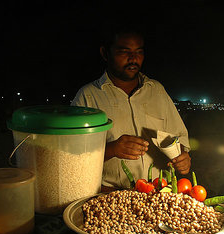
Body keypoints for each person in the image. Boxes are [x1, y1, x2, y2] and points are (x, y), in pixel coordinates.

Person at [71, 25, 191, 191]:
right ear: (105, 53)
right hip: (110, 194)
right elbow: (73, 155)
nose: (133, 58)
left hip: (159, 193)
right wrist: (111, 149)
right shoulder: (88, 96)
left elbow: (180, 136)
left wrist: (184, 156)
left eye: (139, 52)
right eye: (124, 51)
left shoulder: (157, 90)